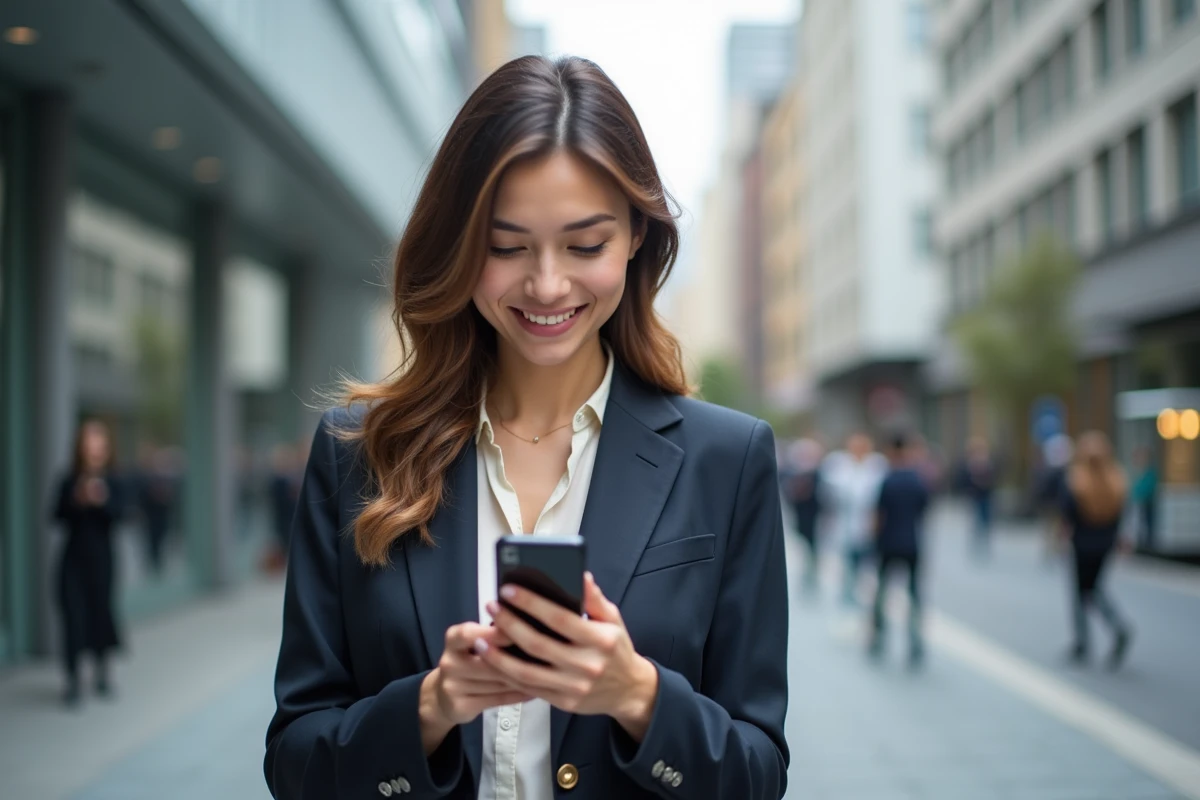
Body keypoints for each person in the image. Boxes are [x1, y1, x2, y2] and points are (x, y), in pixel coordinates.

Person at [264, 55, 789, 800]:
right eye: (506, 247)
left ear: (638, 236)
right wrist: (431, 707)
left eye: (585, 245)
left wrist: (638, 696)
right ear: (459, 243)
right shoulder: (359, 454)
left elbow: (758, 776)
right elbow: (295, 762)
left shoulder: (727, 461)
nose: (547, 285)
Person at [51, 419, 125, 707]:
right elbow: (55, 515)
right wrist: (77, 500)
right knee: (73, 617)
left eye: (99, 445)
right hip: (72, 559)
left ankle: (102, 672)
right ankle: (72, 679)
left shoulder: (114, 479)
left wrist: (101, 501)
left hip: (102, 560)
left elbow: (121, 515)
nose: (94, 451)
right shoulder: (69, 479)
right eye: (89, 445)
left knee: (100, 613)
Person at [1061, 431, 1134, 669]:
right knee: (1094, 588)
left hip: (1081, 543)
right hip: (1105, 543)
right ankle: (1116, 626)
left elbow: (1067, 514)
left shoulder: (1077, 481)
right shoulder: (1117, 480)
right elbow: (1121, 515)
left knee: (1081, 591)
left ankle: (1084, 641)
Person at [868, 433, 931, 667]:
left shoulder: (888, 480)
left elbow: (878, 516)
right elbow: (924, 512)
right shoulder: (917, 480)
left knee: (882, 591)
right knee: (914, 594)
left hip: (887, 543)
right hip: (912, 543)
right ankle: (915, 641)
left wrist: (872, 540)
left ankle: (878, 636)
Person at [823, 432, 886, 607]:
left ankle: (868, 598)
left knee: (869, 565)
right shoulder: (838, 465)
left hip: (869, 523)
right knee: (847, 561)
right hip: (845, 522)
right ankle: (848, 595)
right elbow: (831, 495)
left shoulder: (877, 465)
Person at [781, 438, 823, 592]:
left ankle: (812, 570)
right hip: (801, 514)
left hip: (814, 515)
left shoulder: (817, 473)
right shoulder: (793, 471)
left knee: (813, 544)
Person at [958, 436, 998, 560]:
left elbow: (994, 478)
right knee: (976, 519)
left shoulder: (989, 463)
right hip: (975, 496)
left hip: (986, 496)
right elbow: (963, 479)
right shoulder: (969, 465)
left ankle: (985, 541)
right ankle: (977, 541)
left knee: (986, 519)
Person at [1130, 445, 1158, 552]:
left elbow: (1145, 489)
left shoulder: (1150, 473)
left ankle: (1147, 544)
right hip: (1143, 503)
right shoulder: (1142, 472)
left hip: (1148, 503)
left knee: (1147, 524)